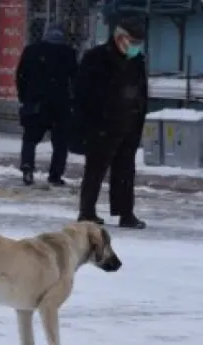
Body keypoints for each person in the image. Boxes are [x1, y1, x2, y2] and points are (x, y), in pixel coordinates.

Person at [71, 16, 148, 229]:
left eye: (138, 43)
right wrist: (89, 122)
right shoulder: (96, 58)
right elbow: (82, 93)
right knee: (95, 170)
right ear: (120, 37)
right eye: (132, 42)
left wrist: (138, 113)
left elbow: (141, 90)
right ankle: (87, 212)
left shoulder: (136, 60)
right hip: (101, 125)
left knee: (125, 171)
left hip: (128, 123)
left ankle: (126, 213)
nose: (135, 47)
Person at [15, 24, 78, 187]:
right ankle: (55, 175)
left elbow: (21, 75)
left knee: (30, 138)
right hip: (60, 105)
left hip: (36, 103)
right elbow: (76, 80)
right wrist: (74, 101)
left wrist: (24, 97)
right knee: (60, 143)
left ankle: (27, 166)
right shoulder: (68, 53)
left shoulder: (31, 51)